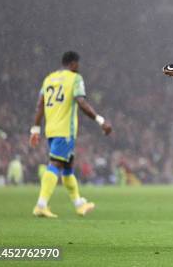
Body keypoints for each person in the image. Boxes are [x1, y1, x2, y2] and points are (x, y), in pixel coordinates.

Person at [30, 51, 113, 218]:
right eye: (78, 64)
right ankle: (41, 204)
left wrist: (35, 129)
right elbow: (81, 102)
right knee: (55, 164)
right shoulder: (75, 78)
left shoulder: (49, 79)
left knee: (68, 165)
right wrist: (100, 120)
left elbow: (40, 105)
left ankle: (79, 204)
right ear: (74, 63)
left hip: (51, 129)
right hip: (65, 130)